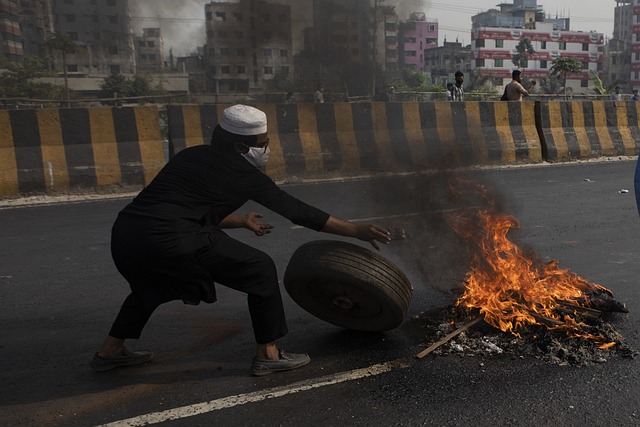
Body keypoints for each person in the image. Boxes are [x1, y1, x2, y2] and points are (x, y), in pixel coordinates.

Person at [90, 104, 391, 376]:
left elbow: (185, 209)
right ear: (239, 146)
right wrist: (357, 231)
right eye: (263, 145)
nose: (267, 149)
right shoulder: (244, 175)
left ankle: (110, 350)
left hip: (128, 235)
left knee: (149, 286)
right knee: (259, 269)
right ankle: (268, 354)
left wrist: (241, 220)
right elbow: (300, 213)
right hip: (171, 239)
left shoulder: (191, 155)